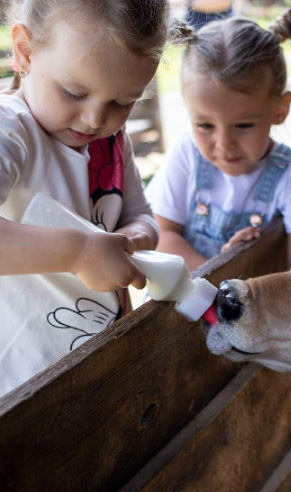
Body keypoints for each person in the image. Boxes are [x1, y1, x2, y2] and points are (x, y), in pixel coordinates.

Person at [0, 0, 170, 396]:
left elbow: (141, 216)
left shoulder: (110, 141)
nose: (96, 119)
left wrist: (133, 240)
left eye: (123, 102)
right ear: (24, 52)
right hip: (23, 386)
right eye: (74, 92)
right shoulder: (11, 131)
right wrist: (77, 253)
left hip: (101, 363)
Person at [145, 10, 291, 272]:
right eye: (205, 125)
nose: (224, 142)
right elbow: (162, 235)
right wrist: (220, 270)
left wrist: (240, 269)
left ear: (280, 110)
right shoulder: (187, 153)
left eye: (243, 125)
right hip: (178, 306)